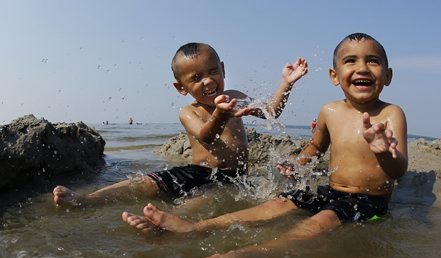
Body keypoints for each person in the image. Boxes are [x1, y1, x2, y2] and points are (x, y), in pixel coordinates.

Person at [122, 33, 408, 258]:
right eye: (351, 61)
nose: (363, 68)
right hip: (331, 190)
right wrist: (297, 164)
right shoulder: (329, 112)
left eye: (373, 60)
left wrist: (384, 153)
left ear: (388, 75)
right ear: (334, 76)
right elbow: (314, 150)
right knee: (276, 203)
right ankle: (195, 227)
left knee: (319, 222)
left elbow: (398, 170)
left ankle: (253, 256)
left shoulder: (391, 113)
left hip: (370, 201)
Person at [53, 42, 308, 206]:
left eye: (212, 72)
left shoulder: (236, 97)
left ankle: (169, 226)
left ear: (223, 69)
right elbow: (206, 138)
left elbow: (272, 111)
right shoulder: (188, 111)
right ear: (181, 88)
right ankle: (87, 200)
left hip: (233, 178)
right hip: (197, 171)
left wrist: (286, 83)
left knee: (200, 203)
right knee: (145, 182)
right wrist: (220, 114)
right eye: (196, 78)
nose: (208, 82)